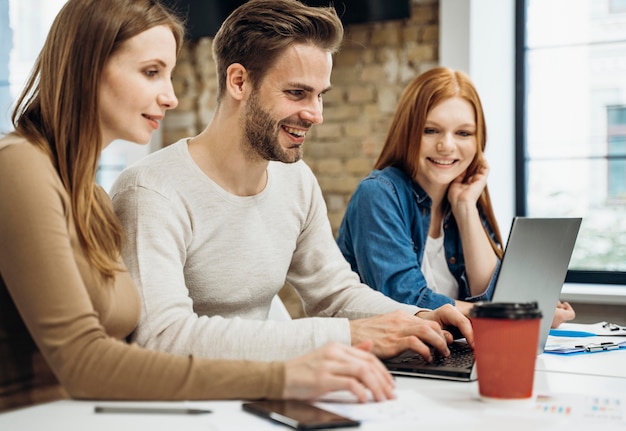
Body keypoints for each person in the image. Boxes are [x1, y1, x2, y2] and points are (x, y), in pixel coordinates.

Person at [0, 0, 399, 413]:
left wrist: (418, 319)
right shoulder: (20, 165)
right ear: (88, 68)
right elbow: (86, 360)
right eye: (151, 72)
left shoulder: (92, 199)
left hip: (101, 415)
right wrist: (285, 375)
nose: (171, 97)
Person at [110, 0, 473, 366]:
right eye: (297, 93)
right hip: (195, 405)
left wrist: (415, 318)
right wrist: (349, 335)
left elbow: (333, 293)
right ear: (239, 82)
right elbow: (160, 337)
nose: (316, 115)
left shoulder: (295, 179)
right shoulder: (150, 191)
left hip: (275, 388)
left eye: (320, 95)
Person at [335, 67, 575, 328]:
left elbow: (496, 297)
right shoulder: (378, 194)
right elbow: (406, 301)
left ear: (478, 140)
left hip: (444, 355)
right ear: (408, 132)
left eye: (463, 133)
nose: (447, 146)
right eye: (431, 130)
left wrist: (465, 207)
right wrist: (518, 315)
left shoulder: (461, 197)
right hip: (383, 361)